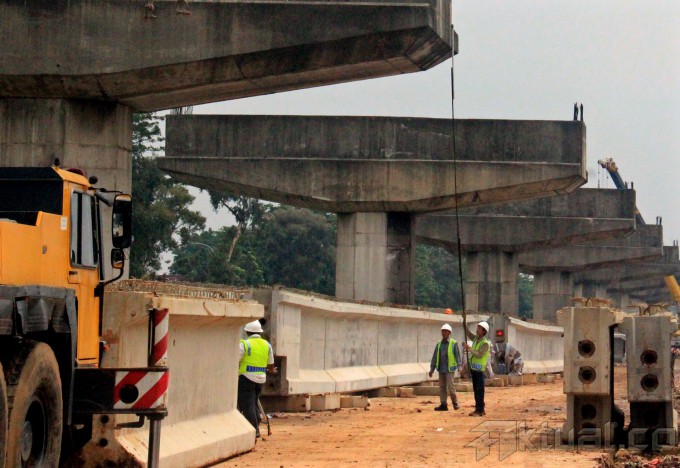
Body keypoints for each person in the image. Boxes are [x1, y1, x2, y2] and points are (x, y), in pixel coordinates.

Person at [238, 320, 277, 437]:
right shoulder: (267, 345)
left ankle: (255, 430)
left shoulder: (245, 344)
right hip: (260, 379)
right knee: (253, 401)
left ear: (247, 331)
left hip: (246, 378)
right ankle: (257, 423)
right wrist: (271, 370)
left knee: (247, 404)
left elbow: (235, 360)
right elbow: (270, 365)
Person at [429, 323, 461, 411]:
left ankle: (455, 403)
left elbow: (457, 356)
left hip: (449, 369)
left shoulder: (453, 343)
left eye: (445, 331)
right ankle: (443, 404)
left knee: (451, 387)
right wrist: (432, 369)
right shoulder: (439, 344)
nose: (443, 333)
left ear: (449, 332)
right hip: (441, 368)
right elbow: (435, 356)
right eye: (442, 331)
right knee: (442, 387)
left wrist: (460, 367)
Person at [463, 322, 491, 417]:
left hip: (479, 371)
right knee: (476, 390)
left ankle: (479, 410)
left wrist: (469, 348)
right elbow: (469, 334)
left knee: (479, 390)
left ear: (483, 331)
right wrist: (465, 324)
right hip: (474, 369)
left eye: (479, 328)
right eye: (477, 327)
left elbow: (479, 354)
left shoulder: (485, 344)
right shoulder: (476, 339)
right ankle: (479, 408)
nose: (477, 329)